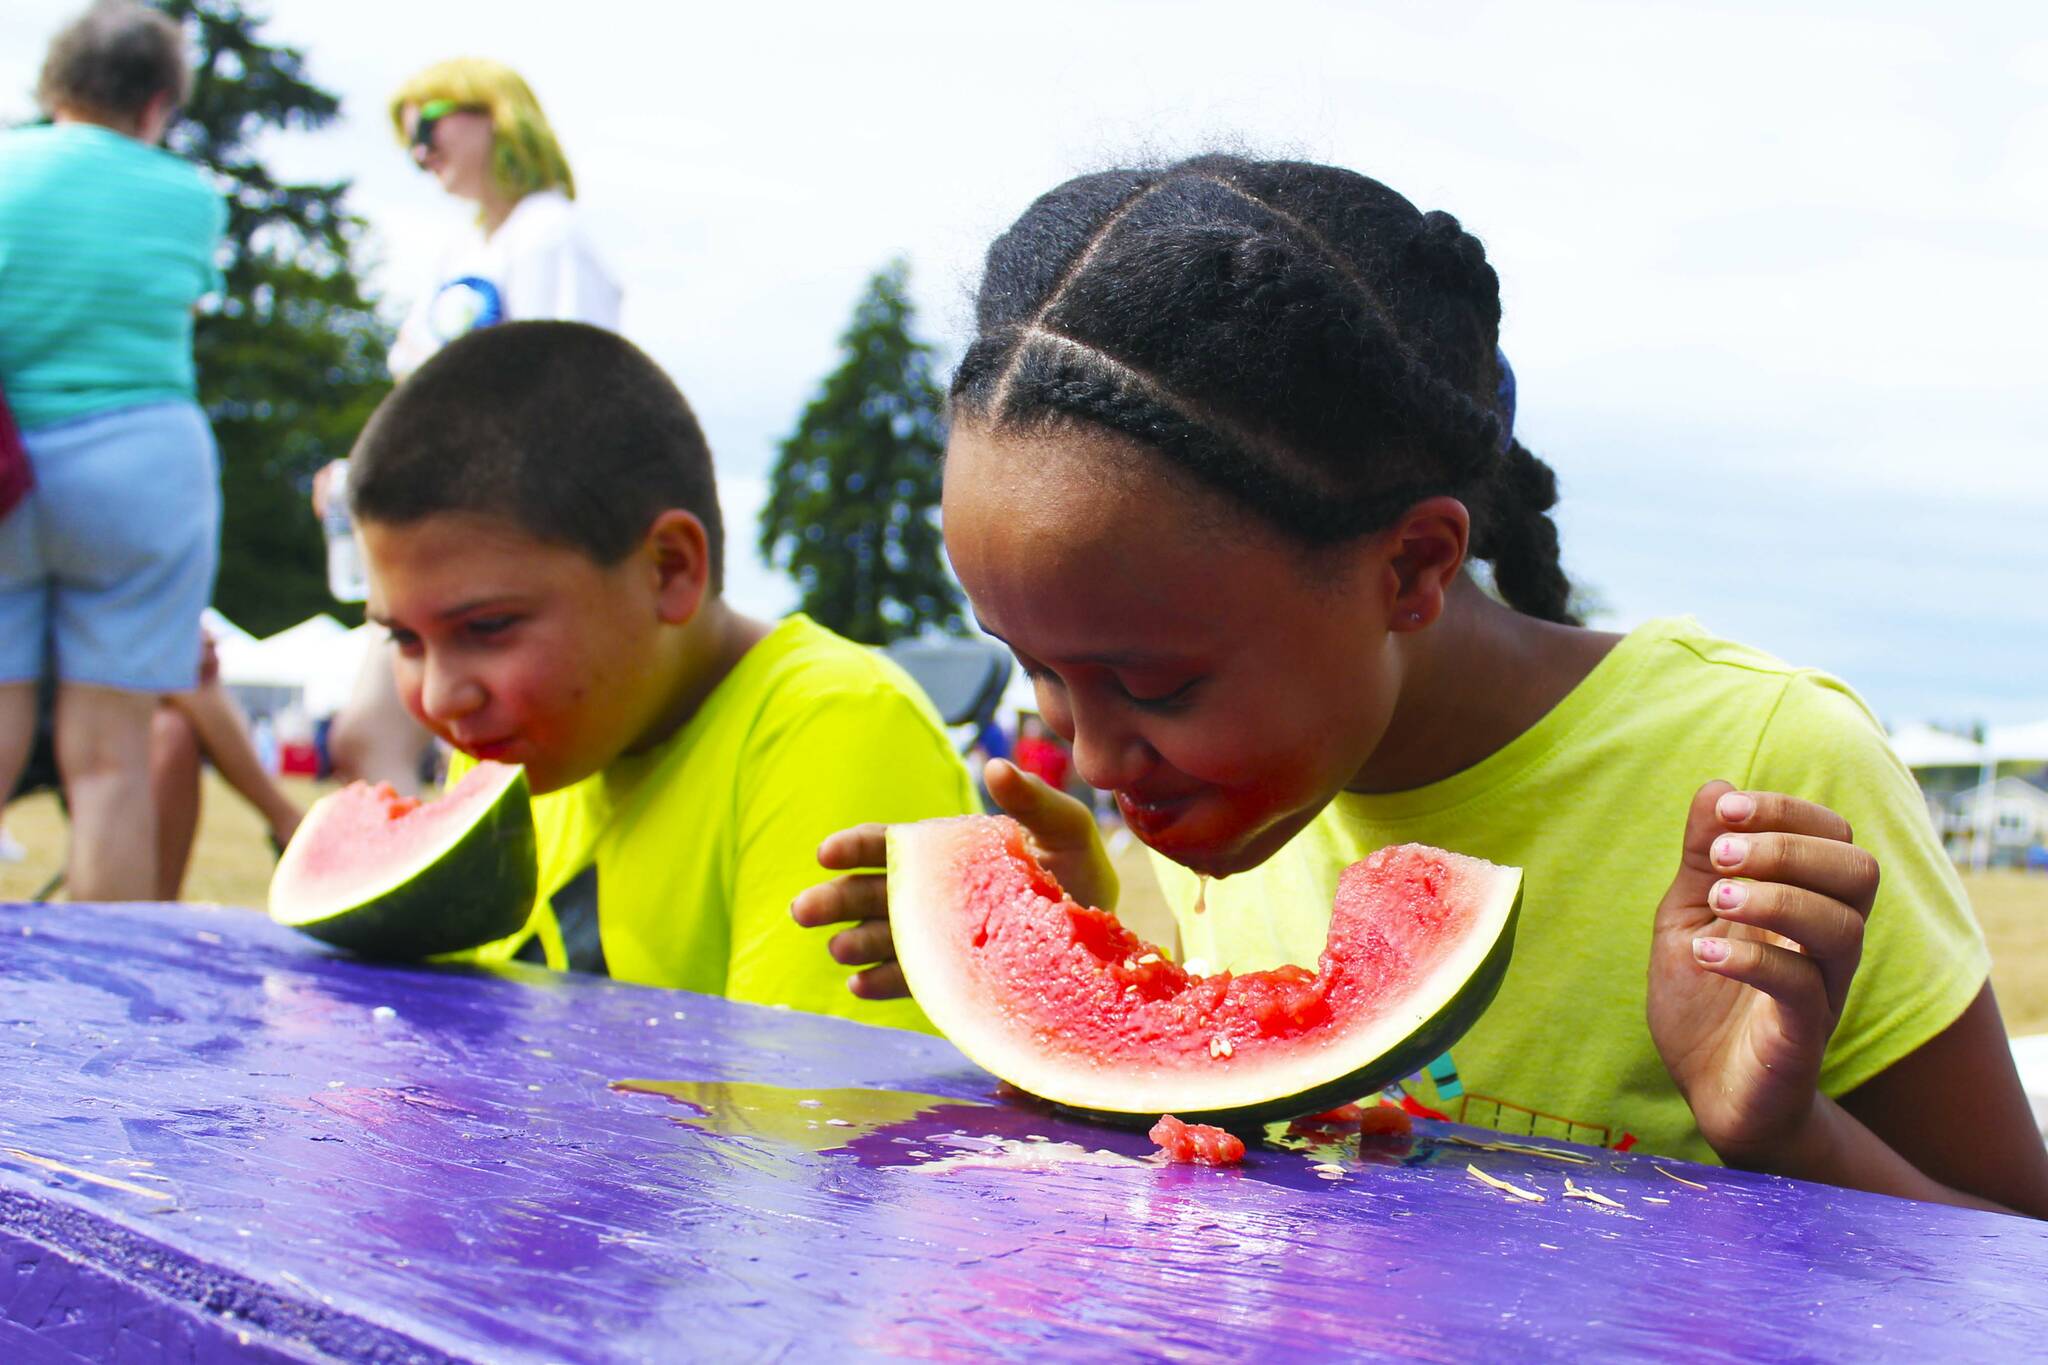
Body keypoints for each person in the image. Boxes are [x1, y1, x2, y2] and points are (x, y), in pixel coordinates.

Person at [794, 155, 2048, 1216]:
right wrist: (1090, 962)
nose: (1093, 758)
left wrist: (1782, 1133)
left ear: (1410, 567)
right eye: (1036, 670)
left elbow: (2014, 1256)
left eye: (1157, 686)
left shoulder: (1766, 766)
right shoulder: (1233, 804)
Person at [348, 320, 977, 1028]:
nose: (441, 697)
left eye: (487, 627)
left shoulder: (838, 723)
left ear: (669, 569)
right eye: (403, 638)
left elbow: (808, 1095)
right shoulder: (511, 745)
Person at [317, 57, 621, 795]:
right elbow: (422, 390)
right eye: (408, 142)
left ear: (497, 115)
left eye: (428, 126)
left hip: (506, 535)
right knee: (371, 737)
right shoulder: (464, 247)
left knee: (468, 752)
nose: (420, 152)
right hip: (440, 532)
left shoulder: (550, 233)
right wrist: (365, 471)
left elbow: (571, 389)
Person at [0, 0, 225, 901]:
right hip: (144, 471)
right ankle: (100, 979)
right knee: (111, 757)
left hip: (7, 464)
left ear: (54, 81)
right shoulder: (191, 198)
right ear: (158, 101)